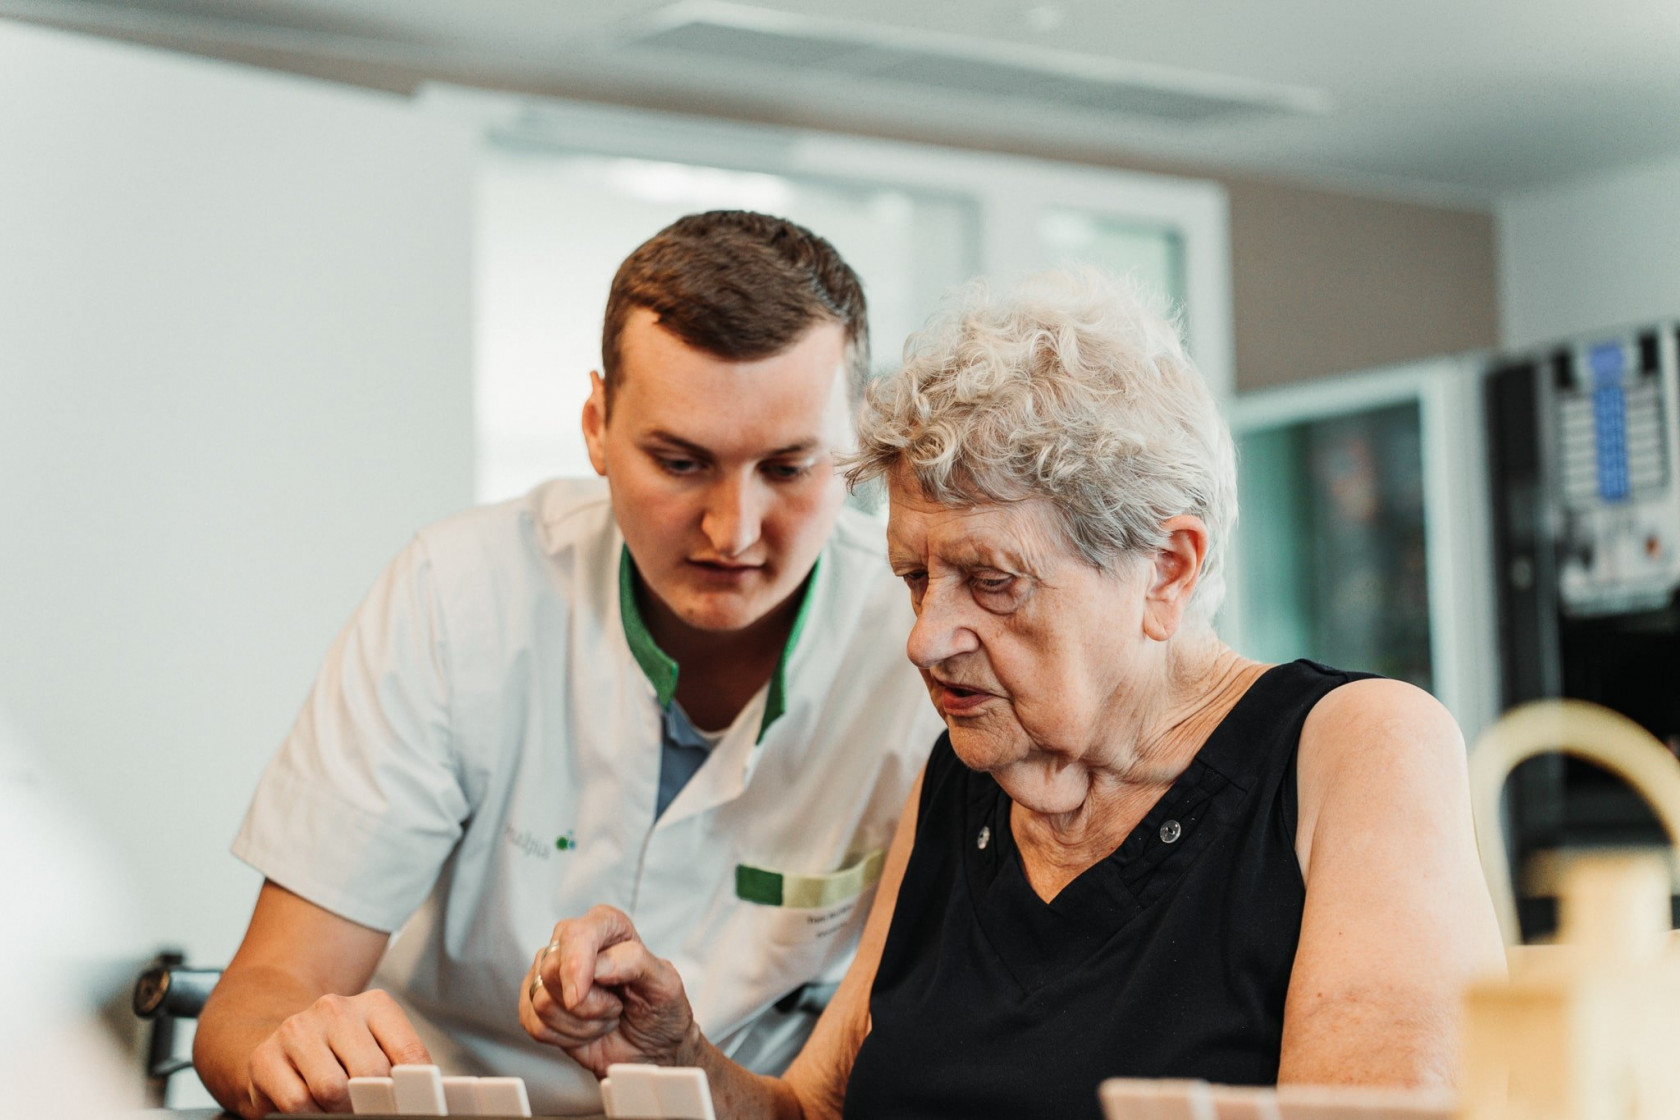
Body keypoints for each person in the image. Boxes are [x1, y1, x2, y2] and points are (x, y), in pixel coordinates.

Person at [518, 269, 1507, 1119]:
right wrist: (673, 1050)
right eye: (915, 577)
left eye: (992, 581)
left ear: (1166, 568)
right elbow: (815, 1109)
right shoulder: (962, 783)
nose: (926, 638)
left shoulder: (1356, 750)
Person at [193, 211, 943, 1118]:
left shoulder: (927, 649)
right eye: (679, 461)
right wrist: (291, 1050)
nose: (733, 531)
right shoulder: (460, 594)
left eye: (788, 469)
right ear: (596, 426)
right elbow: (262, 993)